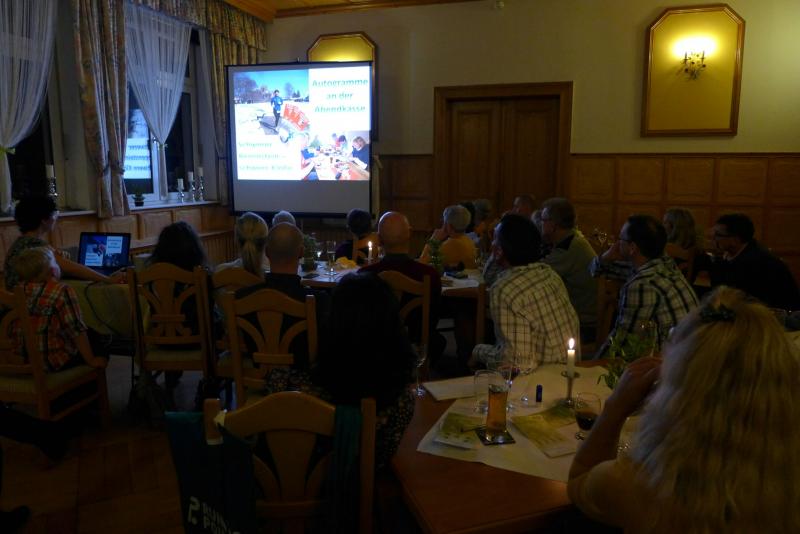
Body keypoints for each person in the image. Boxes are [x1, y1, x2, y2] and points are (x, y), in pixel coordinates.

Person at [568, 286, 800, 532]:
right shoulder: (785, 486)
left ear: (677, 386)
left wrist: (615, 408)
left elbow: (579, 483)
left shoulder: (638, 484)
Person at [263, 273, 415, 470]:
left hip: (295, 482)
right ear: (394, 330)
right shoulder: (401, 401)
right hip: (365, 486)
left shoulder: (284, 385)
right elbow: (383, 459)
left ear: (331, 325)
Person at [471, 213, 579, 368]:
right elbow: (488, 277)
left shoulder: (505, 289)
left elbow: (517, 362)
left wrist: (478, 351)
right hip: (569, 370)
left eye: (494, 239)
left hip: (541, 377)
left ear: (500, 250)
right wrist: (497, 252)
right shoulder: (549, 273)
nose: (492, 244)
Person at [590, 215, 698, 355]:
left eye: (620, 239)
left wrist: (592, 363)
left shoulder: (642, 283)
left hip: (671, 362)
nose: (616, 244)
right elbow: (595, 270)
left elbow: (622, 343)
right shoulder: (665, 264)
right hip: (690, 355)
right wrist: (606, 257)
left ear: (632, 247)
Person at [235, 223, 329, 370]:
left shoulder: (241, 298)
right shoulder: (318, 301)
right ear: (301, 252)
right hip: (303, 379)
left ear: (267, 252)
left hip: (259, 375)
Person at [359, 211, 446, 364]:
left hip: (373, 345)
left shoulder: (364, 275)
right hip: (415, 345)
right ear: (410, 234)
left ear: (379, 239)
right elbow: (433, 318)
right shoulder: (429, 275)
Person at [10, 247, 108, 372]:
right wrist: (91, 360)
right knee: (99, 340)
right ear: (52, 270)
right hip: (52, 362)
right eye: (56, 262)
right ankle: (88, 379)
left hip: (22, 361)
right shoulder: (62, 290)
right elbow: (76, 330)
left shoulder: (18, 290)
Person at [4, 195, 125, 290]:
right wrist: (108, 279)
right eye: (55, 214)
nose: (56, 218)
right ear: (44, 220)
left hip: (16, 305)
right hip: (32, 307)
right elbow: (71, 268)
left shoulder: (20, 244)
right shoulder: (36, 247)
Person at [698, 213, 800, 310]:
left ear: (735, 240)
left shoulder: (759, 262)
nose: (712, 238)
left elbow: (730, 294)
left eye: (718, 235)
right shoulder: (731, 253)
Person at [540, 198, 598, 343]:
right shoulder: (572, 239)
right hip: (578, 315)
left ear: (553, 224)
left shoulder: (570, 247)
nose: (541, 224)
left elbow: (537, 274)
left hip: (582, 323)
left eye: (543, 220)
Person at [419, 204, 477, 270]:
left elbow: (421, 264)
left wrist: (433, 239)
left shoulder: (452, 244)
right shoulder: (469, 241)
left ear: (448, 225)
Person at [662, 208, 701, 280]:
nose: (662, 226)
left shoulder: (667, 249)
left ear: (674, 226)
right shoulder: (696, 248)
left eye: (664, 222)